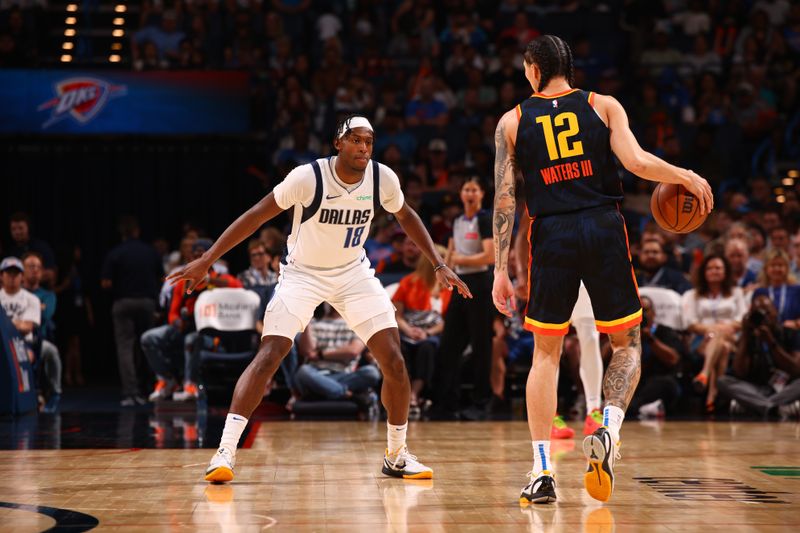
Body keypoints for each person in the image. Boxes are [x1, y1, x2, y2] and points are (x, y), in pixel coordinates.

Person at [168, 115, 470, 483]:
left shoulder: (382, 178)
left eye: (369, 141)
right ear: (337, 143)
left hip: (353, 274)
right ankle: (225, 452)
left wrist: (438, 263)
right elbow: (255, 217)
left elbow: (406, 215)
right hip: (302, 275)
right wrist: (207, 259)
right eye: (356, 140)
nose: (363, 148)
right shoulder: (307, 177)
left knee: (394, 360)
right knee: (269, 355)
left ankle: (396, 454)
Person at [491, 35, 712, 504]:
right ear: (568, 69)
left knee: (546, 355)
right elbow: (635, 162)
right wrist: (685, 175)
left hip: (550, 234)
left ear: (533, 69)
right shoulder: (602, 104)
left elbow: (506, 198)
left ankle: (542, 471)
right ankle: (608, 426)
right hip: (602, 226)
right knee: (627, 344)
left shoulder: (511, 121)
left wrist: (499, 269)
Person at [435, 177, 495, 419]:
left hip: (480, 285)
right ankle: (447, 401)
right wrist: (444, 271)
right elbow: (450, 253)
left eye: (474, 189)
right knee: (449, 344)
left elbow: (489, 256)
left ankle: (482, 403)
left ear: (481, 194)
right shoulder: (458, 221)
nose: (470, 193)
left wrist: (459, 260)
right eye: (466, 188)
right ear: (461, 194)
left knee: (481, 346)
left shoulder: (483, 219)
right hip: (459, 285)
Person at [101, 216, 164, 406]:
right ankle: (150, 388)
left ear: (122, 233)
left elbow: (105, 283)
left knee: (125, 348)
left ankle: (130, 393)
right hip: (147, 303)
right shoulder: (150, 252)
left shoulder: (115, 253)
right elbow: (162, 279)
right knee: (148, 345)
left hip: (123, 303)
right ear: (137, 231)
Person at [392, 245, 451, 417]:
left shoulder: (449, 286)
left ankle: (414, 394)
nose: (444, 262)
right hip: (408, 329)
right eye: (440, 258)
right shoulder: (408, 282)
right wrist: (408, 330)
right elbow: (397, 314)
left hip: (432, 333)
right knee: (400, 348)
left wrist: (428, 333)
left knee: (427, 348)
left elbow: (448, 321)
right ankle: (403, 392)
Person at [682, 254, 747, 411]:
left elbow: (742, 319)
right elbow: (690, 323)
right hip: (701, 340)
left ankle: (704, 374)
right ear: (704, 272)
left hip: (732, 337)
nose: (714, 271)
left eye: (718, 268)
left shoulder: (737, 292)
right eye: (710, 268)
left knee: (721, 339)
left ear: (725, 272)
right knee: (722, 346)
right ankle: (714, 394)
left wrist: (723, 328)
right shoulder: (692, 294)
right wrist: (713, 329)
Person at [720, 293, 800, 418]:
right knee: (723, 381)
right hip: (755, 388)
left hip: (784, 388)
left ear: (776, 312)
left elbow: (795, 369)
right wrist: (746, 336)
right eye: (758, 313)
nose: (763, 317)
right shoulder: (747, 336)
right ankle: (774, 407)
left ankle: (758, 406)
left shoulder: (790, 334)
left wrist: (771, 342)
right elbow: (739, 371)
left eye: (767, 312)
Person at [294, 304, 382, 402]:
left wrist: (320, 355)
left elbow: (353, 351)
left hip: (345, 375)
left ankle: (325, 390)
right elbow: (307, 351)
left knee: (371, 372)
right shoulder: (315, 323)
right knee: (303, 372)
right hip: (316, 373)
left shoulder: (358, 325)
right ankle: (350, 396)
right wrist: (307, 321)